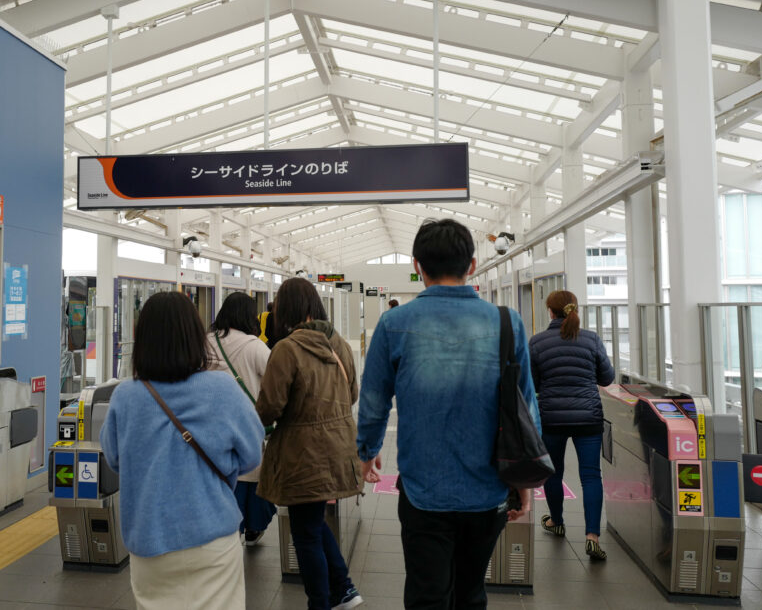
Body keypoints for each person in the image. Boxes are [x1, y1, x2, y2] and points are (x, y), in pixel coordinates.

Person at [357, 218, 540, 609]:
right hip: (488, 490)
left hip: (424, 491)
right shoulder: (507, 323)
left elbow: (373, 402)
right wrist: (525, 480)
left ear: (416, 265)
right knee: (471, 592)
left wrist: (367, 450)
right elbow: (526, 407)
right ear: (472, 265)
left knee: (427, 594)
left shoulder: (394, 324)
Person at [100, 291, 264, 610]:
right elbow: (251, 455)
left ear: (142, 339)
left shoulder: (126, 397)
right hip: (213, 537)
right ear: (195, 337)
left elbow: (115, 458)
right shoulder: (223, 388)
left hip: (149, 542)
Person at [256, 277, 364, 610]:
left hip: (303, 453)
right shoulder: (339, 344)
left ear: (284, 308)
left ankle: (321, 602)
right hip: (338, 447)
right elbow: (354, 394)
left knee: (305, 534)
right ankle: (344, 588)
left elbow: (270, 406)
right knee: (312, 523)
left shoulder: (286, 349)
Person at [528, 290, 615, 561]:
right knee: (590, 476)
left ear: (551, 312)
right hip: (588, 417)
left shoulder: (538, 342)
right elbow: (607, 378)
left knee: (553, 473)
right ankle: (592, 536)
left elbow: (532, 383)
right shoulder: (591, 339)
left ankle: (557, 521)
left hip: (552, 418)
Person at [207, 292, 276, 546]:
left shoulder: (205, 342)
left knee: (222, 482)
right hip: (247, 428)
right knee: (251, 482)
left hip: (211, 431)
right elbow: (274, 382)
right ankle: (252, 527)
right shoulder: (255, 346)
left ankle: (225, 532)